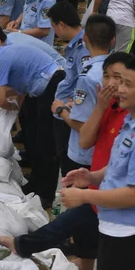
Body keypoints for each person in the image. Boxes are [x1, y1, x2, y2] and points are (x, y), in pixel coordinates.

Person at [0, 52, 130, 270]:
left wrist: (89, 194)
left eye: (119, 79)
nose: (110, 84)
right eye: (106, 76)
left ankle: (21, 245)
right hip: (102, 185)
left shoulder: (132, 119)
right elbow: (86, 140)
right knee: (83, 228)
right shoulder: (112, 108)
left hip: (118, 207)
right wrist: (94, 177)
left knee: (73, 225)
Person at [61, 56, 135, 270]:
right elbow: (118, 168)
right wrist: (91, 176)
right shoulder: (130, 121)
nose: (117, 88)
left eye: (127, 84)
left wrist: (85, 196)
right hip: (115, 227)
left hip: (127, 233)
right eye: (114, 79)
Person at [0, 39, 65, 207]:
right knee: (34, 134)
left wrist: (9, 106)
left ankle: (46, 194)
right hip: (42, 87)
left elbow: (1, 98)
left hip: (52, 86)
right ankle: (36, 181)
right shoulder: (4, 54)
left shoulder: (0, 61)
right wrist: (13, 105)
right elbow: (18, 87)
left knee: (46, 144)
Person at [52, 14, 116, 171]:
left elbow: (82, 125)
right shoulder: (116, 71)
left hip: (84, 156)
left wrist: (61, 110)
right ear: (113, 40)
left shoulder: (88, 76)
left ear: (85, 38)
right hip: (107, 152)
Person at [49, 2, 91, 176]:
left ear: (61, 24)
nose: (55, 32)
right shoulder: (75, 44)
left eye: (54, 27)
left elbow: (85, 81)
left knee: (67, 159)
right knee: (62, 155)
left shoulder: (83, 48)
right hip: (63, 108)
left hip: (69, 111)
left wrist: (68, 106)